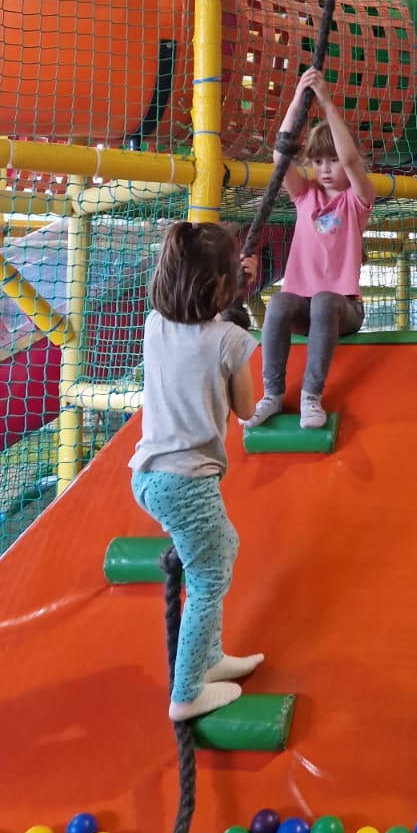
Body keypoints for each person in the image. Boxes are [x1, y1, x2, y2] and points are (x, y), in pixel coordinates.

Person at [129, 221, 262, 722]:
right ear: (221, 287)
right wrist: (237, 329)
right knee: (209, 577)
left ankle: (210, 657)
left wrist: (226, 293)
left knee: (223, 548)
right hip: (187, 481)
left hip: (148, 474)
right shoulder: (230, 339)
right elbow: (246, 409)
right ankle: (186, 693)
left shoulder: (154, 325)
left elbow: (195, 333)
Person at [246, 69, 375, 430]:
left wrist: (327, 103)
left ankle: (310, 396)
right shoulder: (305, 197)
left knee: (324, 299)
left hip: (343, 309)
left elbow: (351, 161)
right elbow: (280, 155)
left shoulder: (357, 200)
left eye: (331, 161)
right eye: (318, 162)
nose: (326, 169)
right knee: (280, 302)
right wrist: (297, 99)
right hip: (306, 309)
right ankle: (272, 394)